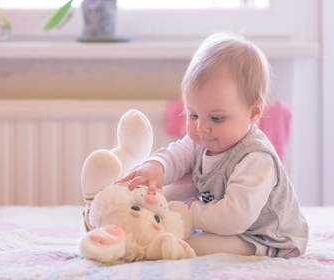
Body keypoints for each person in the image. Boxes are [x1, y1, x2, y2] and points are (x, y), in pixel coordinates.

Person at [119, 32, 308, 258]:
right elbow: (176, 155)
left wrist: (190, 212)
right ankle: (129, 217)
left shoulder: (256, 159)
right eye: (193, 115)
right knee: (172, 191)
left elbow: (234, 218)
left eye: (216, 118)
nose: (201, 128)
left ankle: (151, 247)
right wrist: (156, 166)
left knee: (194, 245)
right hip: (228, 224)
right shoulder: (203, 139)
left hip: (265, 237)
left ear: (254, 112)